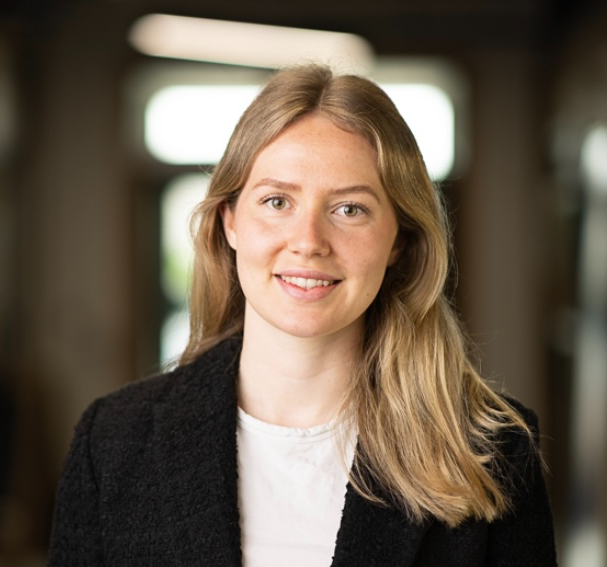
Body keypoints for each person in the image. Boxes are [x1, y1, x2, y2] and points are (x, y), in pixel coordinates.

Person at [47, 64, 557, 566]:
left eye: (349, 209)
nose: (309, 242)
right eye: (277, 202)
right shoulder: (113, 441)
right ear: (230, 222)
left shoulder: (494, 451)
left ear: (399, 241)